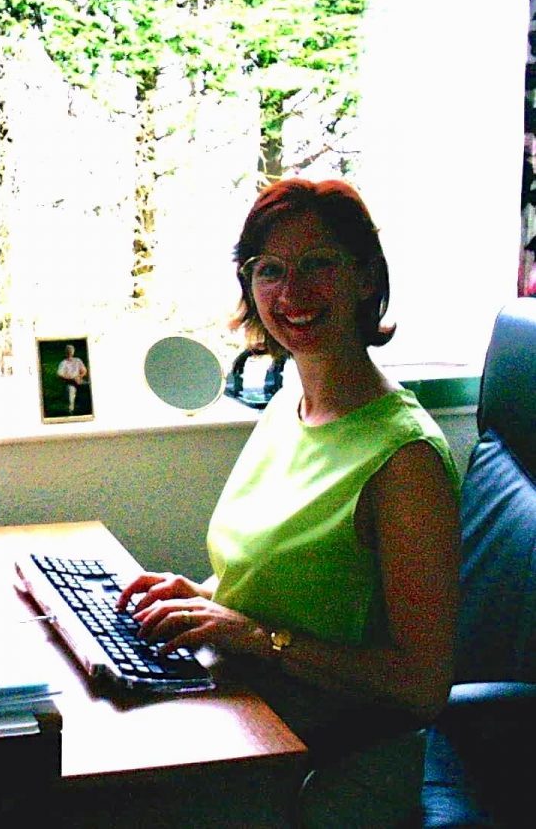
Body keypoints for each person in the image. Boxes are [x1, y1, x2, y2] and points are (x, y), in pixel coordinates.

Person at [118, 178, 460, 826]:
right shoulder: (289, 404)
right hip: (252, 716)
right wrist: (199, 598)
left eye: (318, 264)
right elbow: (295, 581)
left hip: (331, 767)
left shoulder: (405, 457)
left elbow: (420, 687)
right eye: (269, 269)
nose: (291, 292)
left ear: (365, 277)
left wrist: (256, 637)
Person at [57, 343, 88, 414]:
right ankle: (71, 411)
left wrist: (79, 376)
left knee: (88, 386)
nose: (70, 353)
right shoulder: (63, 363)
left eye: (71, 351)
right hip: (69, 382)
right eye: (68, 351)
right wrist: (71, 379)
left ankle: (85, 409)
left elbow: (84, 371)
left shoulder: (77, 360)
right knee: (71, 393)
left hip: (79, 380)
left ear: (73, 352)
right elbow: (59, 375)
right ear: (66, 353)